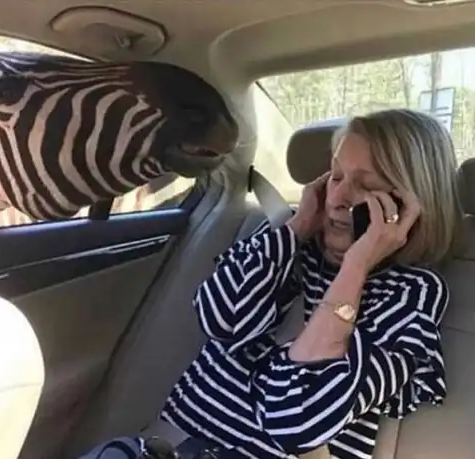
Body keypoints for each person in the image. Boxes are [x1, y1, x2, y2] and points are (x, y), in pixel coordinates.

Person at [79, 108, 463, 459]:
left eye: (365, 185)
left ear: (408, 206)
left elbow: (295, 417)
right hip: (165, 447)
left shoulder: (411, 293)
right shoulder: (284, 241)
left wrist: (356, 266)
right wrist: (296, 226)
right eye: (335, 176)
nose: (338, 197)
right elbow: (219, 319)